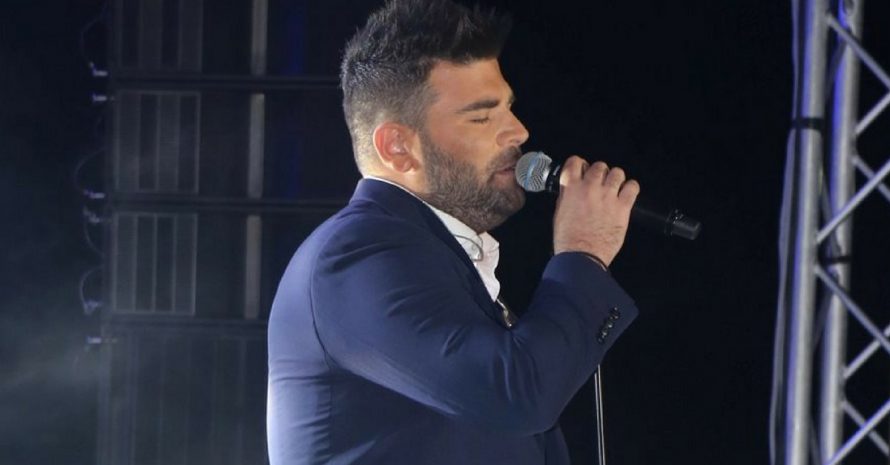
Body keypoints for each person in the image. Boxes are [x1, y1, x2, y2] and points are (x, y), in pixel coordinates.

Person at [266, 0, 641, 463]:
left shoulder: (430, 255)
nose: (518, 132)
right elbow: (517, 395)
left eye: (509, 108)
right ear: (398, 147)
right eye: (482, 117)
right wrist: (583, 251)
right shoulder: (355, 255)